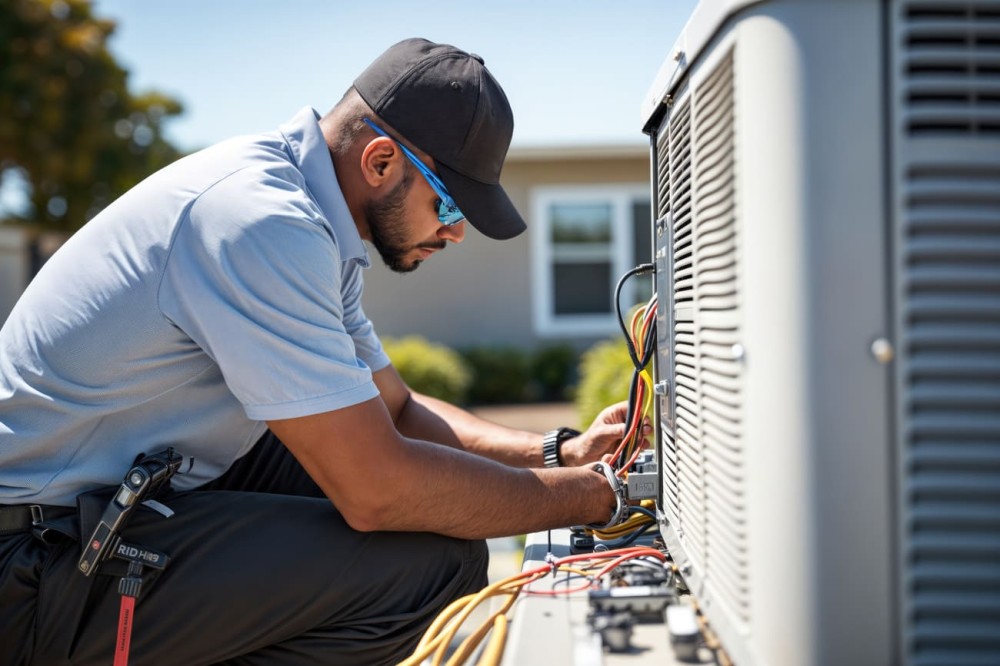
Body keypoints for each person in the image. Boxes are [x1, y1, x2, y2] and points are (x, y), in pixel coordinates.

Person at [0, 38, 637, 665]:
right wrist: (591, 496)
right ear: (382, 161)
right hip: (35, 558)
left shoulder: (318, 219)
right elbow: (377, 490)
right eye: (449, 204)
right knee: (428, 569)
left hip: (123, 496)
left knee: (427, 507)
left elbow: (396, 412)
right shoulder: (262, 222)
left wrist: (560, 454)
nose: (456, 231)